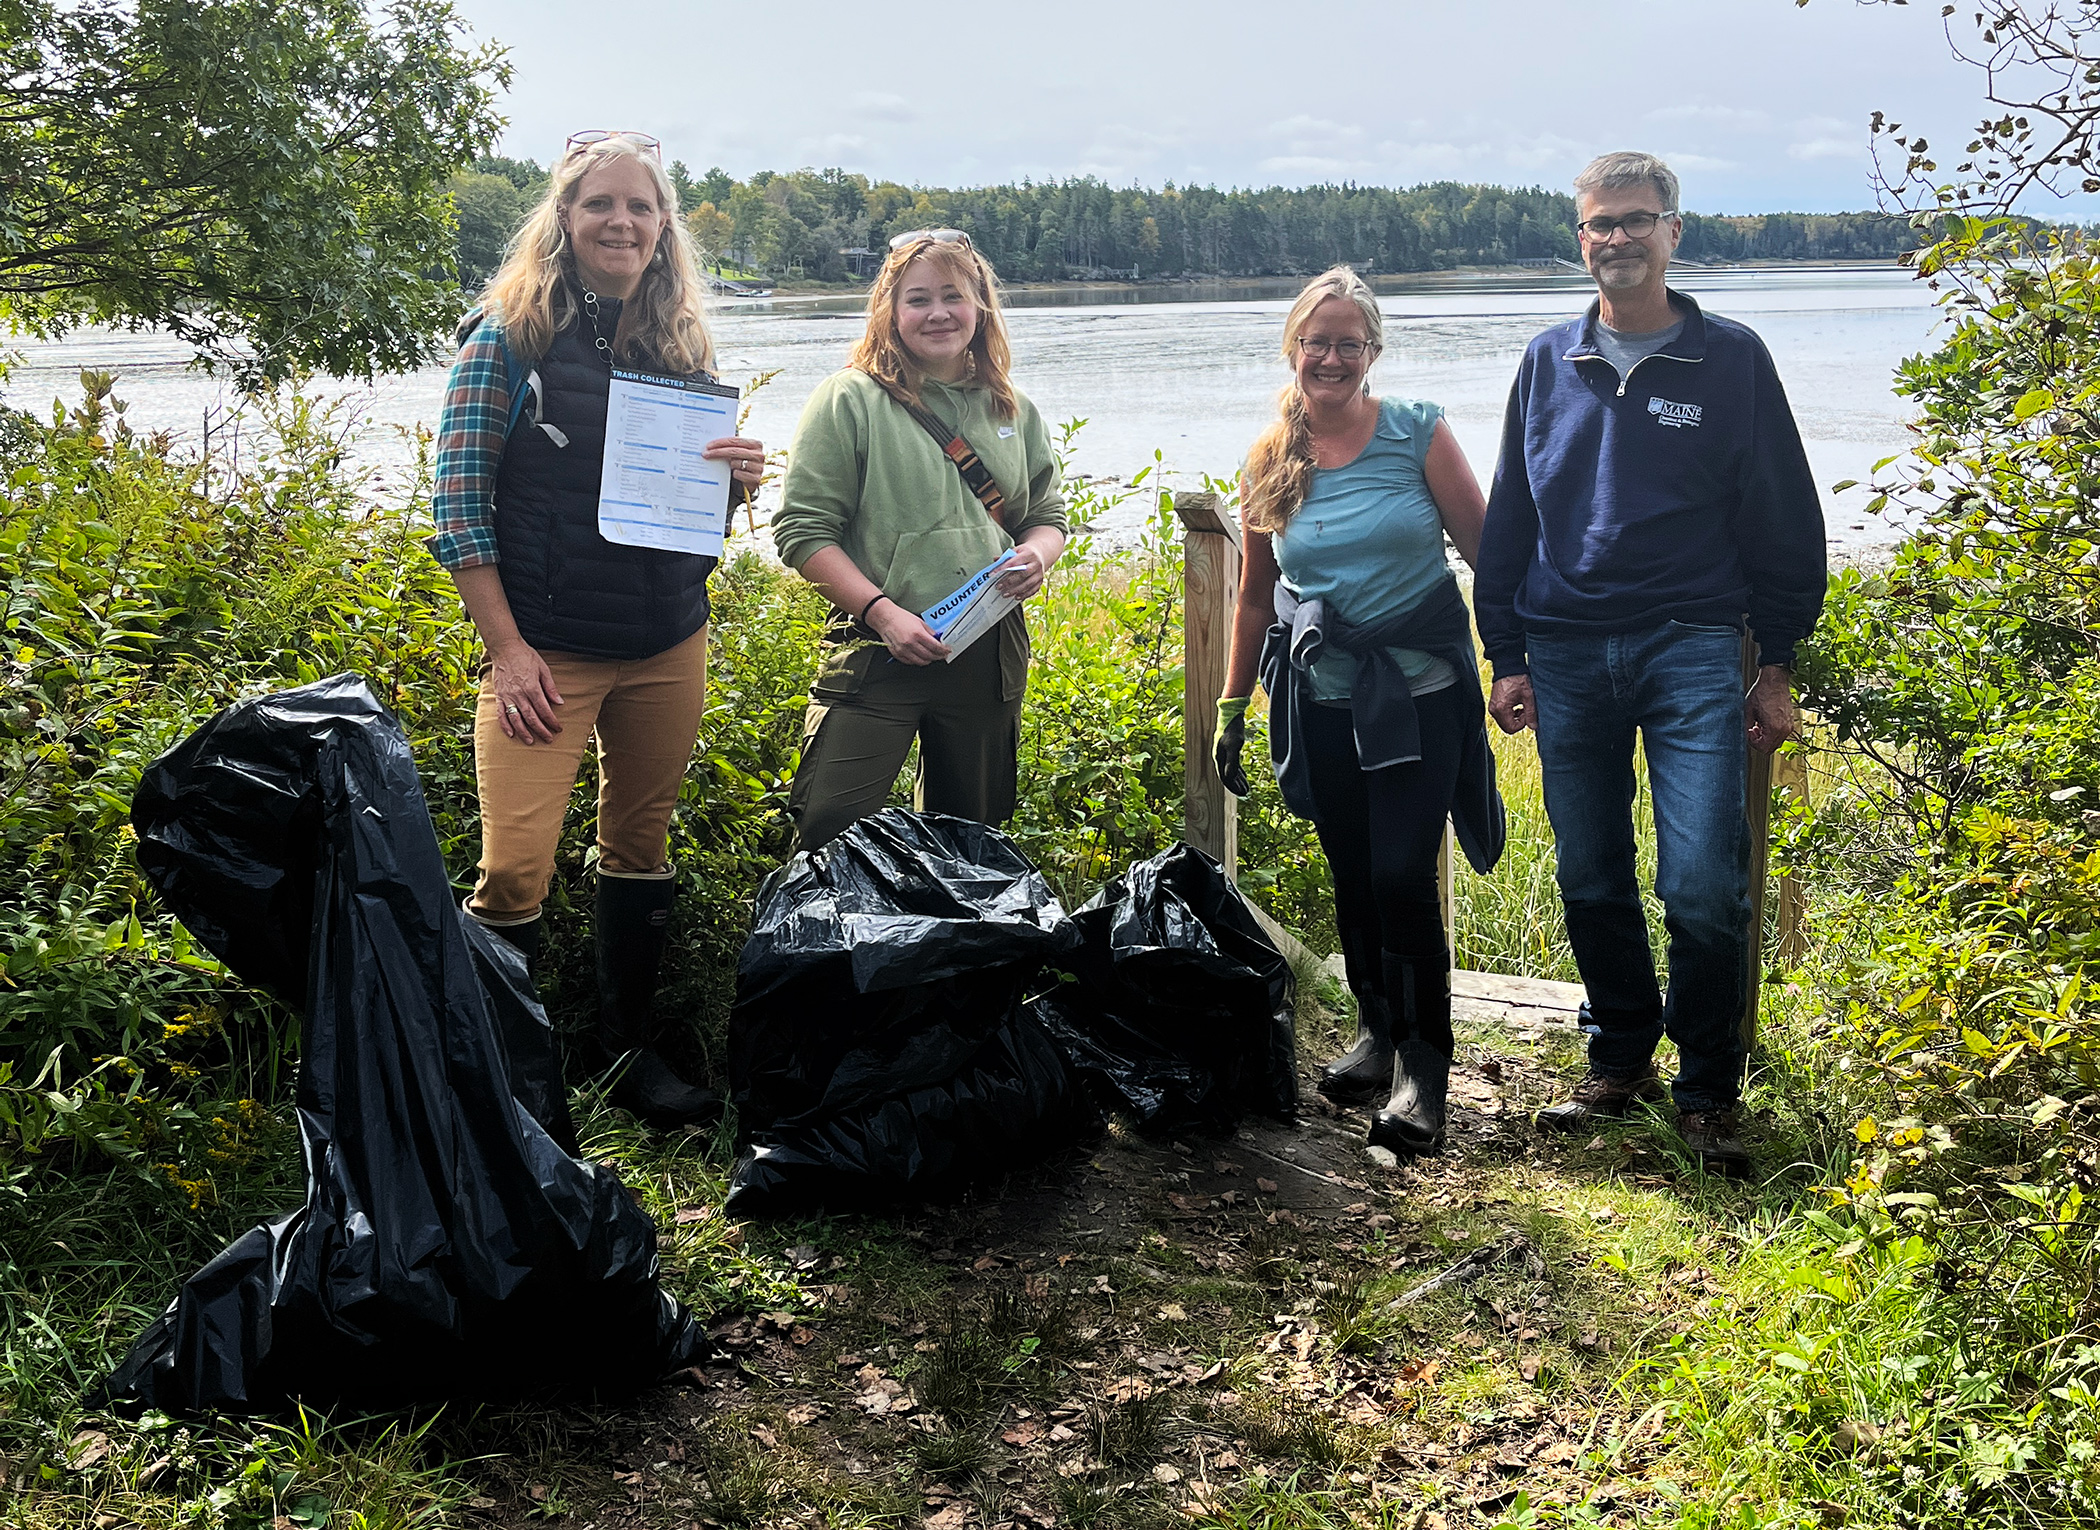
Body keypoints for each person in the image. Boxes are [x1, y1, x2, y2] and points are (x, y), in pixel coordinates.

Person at [1473, 151, 1827, 1176]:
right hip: (1568, 651)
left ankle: (1710, 1084)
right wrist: (1506, 650)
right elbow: (1511, 517)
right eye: (1598, 225)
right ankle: (1620, 1057)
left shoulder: (1733, 361)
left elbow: (1784, 518)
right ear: (1579, 239)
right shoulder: (1548, 362)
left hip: (1693, 647)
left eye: (1636, 221)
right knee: (1588, 874)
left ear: (1674, 231)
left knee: (1706, 882)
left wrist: (1779, 661)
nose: (1616, 240)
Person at [426, 130, 765, 1127]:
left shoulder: (679, 344)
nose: (622, 223)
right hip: (547, 650)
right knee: (514, 867)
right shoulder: (506, 334)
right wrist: (508, 649)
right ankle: (503, 1080)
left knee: (640, 846)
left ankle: (625, 1056)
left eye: (642, 208)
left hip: (667, 640)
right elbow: (456, 504)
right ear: (563, 220)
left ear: (664, 231)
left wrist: (733, 485)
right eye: (600, 205)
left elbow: (680, 514)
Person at [1215, 267, 1505, 1156]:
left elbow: (1485, 553)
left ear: (1373, 352)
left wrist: (1514, 663)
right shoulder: (1270, 458)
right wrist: (1234, 705)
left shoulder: (1417, 431)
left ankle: (1426, 1069)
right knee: (1351, 872)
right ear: (1293, 349)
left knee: (1398, 877)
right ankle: (1377, 1036)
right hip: (1324, 697)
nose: (1331, 357)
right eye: (1317, 341)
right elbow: (1258, 597)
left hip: (1420, 694)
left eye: (1350, 342)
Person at [773, 229, 1068, 852]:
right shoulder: (848, 399)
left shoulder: (1012, 409)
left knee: (969, 846)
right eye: (918, 299)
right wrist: (883, 615)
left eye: (953, 296)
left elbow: (1045, 514)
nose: (938, 313)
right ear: (890, 310)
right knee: (827, 835)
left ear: (980, 307)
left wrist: (1036, 556)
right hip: (877, 649)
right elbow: (802, 531)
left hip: (987, 651)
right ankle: (825, 949)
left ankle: (952, 951)